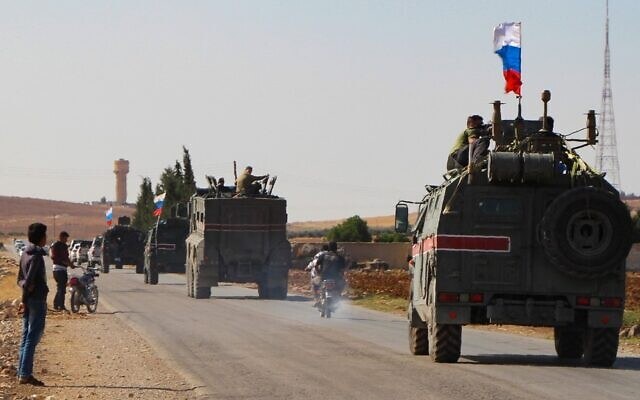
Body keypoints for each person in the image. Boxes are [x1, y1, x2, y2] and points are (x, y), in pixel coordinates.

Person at [17, 222, 48, 386]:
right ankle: (25, 374)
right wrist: (26, 295)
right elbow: (28, 282)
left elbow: (20, 280)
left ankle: (21, 372)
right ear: (41, 238)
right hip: (36, 300)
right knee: (32, 337)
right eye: (45, 235)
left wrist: (23, 300)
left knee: (25, 336)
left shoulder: (24, 253)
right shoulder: (36, 256)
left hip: (29, 299)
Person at [50, 231, 76, 311]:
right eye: (65, 238)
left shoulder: (64, 246)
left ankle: (56, 304)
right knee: (61, 288)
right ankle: (61, 306)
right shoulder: (56, 245)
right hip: (58, 269)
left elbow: (66, 257)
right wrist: (66, 262)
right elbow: (54, 257)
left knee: (61, 287)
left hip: (63, 269)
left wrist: (70, 263)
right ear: (61, 237)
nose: (66, 240)